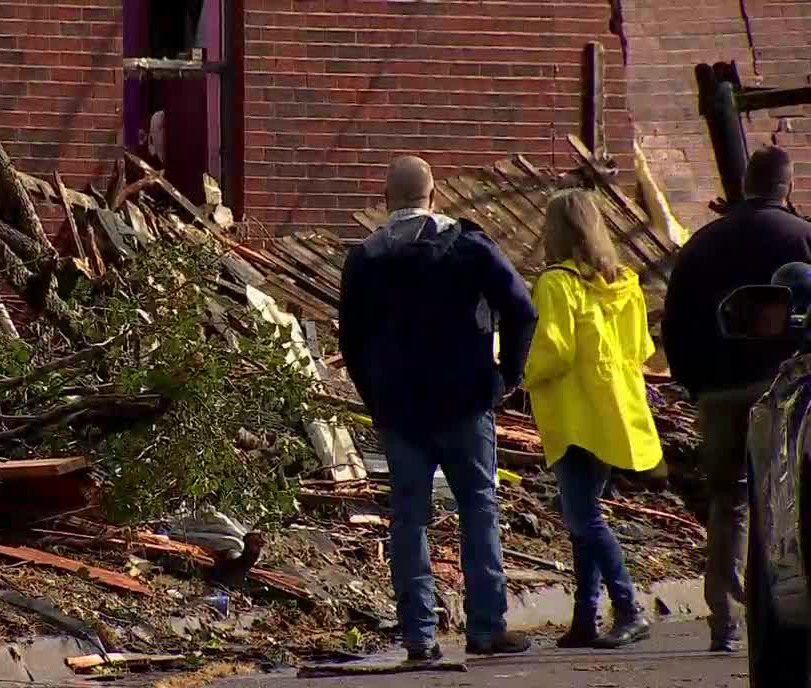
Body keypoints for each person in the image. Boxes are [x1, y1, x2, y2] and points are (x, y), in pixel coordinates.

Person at [339, 155, 539, 661]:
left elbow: (351, 341)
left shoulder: (365, 260)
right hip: (466, 401)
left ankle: (419, 636)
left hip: (400, 411)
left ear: (386, 201)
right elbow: (522, 309)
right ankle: (487, 627)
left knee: (410, 520)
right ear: (433, 198)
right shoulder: (468, 247)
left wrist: (375, 396)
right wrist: (507, 376)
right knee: (478, 509)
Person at [663, 145, 811, 652]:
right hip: (788, 391)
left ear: (742, 184)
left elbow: (674, 323)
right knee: (786, 502)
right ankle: (773, 608)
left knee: (728, 502)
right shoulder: (801, 236)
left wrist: (696, 385)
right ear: (787, 186)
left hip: (720, 392)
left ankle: (724, 620)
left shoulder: (702, 243)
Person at [523, 189, 661, 649]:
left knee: (583, 516)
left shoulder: (555, 283)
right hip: (615, 412)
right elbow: (642, 349)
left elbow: (554, 350)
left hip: (573, 412)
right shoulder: (625, 283)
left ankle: (628, 607)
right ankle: (584, 616)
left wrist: (518, 375)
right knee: (584, 513)